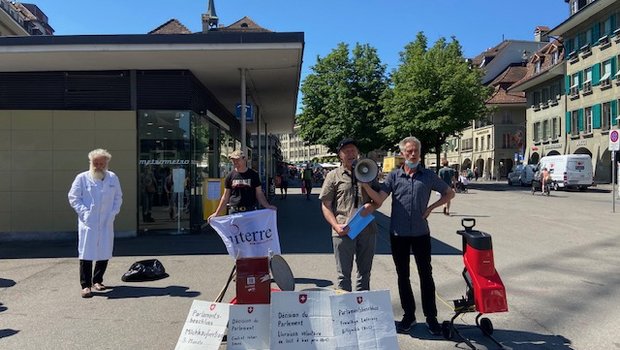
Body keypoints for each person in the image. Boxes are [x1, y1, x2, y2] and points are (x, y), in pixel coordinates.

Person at [362, 136, 455, 336]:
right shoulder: (394, 176)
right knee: (403, 276)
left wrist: (432, 207)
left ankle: (431, 318)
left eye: (416, 151)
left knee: (426, 275)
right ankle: (409, 316)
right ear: (403, 154)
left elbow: (449, 193)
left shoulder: (428, 175)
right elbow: (379, 199)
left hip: (421, 233)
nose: (413, 154)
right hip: (399, 233)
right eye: (409, 151)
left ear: (420, 153)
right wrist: (365, 185)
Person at [319, 138, 381, 292]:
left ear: (358, 153)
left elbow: (378, 200)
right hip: (343, 229)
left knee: (364, 273)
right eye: (346, 151)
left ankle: (361, 309)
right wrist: (335, 226)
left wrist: (370, 202)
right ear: (340, 155)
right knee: (343, 275)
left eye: (353, 150)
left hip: (366, 229)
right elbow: (326, 206)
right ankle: (345, 311)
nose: (351, 153)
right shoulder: (333, 176)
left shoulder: (368, 172)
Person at [68, 149, 123, 298]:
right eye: (95, 163)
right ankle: (85, 285)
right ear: (90, 162)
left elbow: (118, 197)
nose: (98, 166)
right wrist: (85, 213)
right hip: (89, 223)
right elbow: (73, 197)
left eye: (101, 163)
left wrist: (113, 213)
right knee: (86, 253)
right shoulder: (82, 178)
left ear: (106, 163)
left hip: (106, 221)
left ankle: (97, 280)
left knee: (104, 251)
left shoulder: (112, 178)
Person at [208, 150, 276, 220]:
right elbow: (225, 196)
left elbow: (259, 193)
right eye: (233, 160)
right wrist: (217, 213)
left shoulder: (253, 175)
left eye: (237, 159)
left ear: (244, 159)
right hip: (234, 211)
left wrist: (267, 206)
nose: (235, 162)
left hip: (250, 211)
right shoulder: (229, 176)